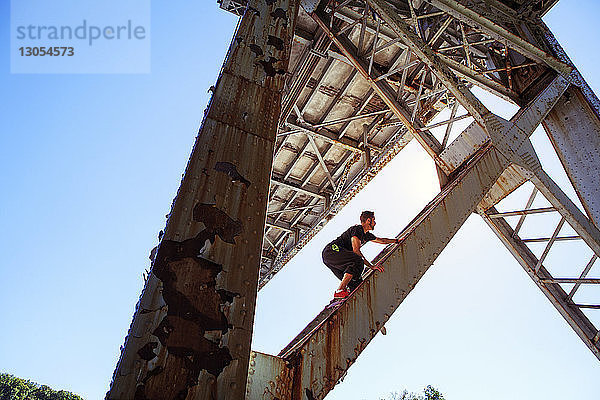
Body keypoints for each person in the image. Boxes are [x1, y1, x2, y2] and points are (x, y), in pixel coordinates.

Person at [322, 210, 399, 299]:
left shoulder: (367, 235)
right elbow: (356, 251)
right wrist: (371, 266)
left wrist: (396, 241)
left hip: (331, 259)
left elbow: (382, 240)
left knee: (356, 281)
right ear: (368, 221)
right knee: (358, 260)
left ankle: (344, 295)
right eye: (374, 220)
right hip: (332, 251)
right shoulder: (358, 229)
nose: (375, 223)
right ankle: (340, 290)